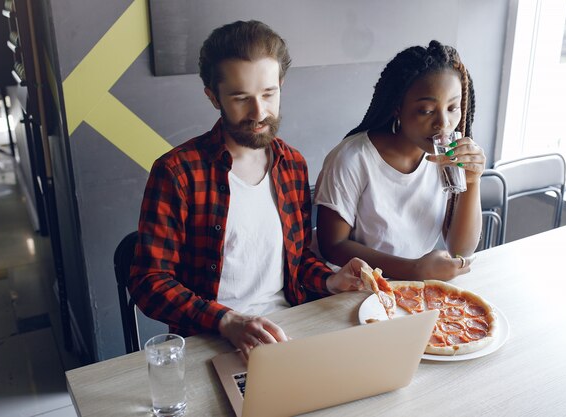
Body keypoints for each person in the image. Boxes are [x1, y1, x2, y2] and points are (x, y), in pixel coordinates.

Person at [129, 20, 366, 358]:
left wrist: (330, 281)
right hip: (209, 340)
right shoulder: (177, 173)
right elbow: (148, 282)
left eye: (269, 94)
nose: (259, 113)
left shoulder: (293, 165)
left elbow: (297, 262)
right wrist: (225, 319)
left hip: (290, 330)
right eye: (241, 98)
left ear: (281, 85)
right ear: (213, 97)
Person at [314, 40, 485, 281]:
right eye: (426, 110)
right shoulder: (353, 158)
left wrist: (473, 181)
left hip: (411, 289)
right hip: (350, 290)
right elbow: (332, 246)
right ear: (397, 107)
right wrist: (413, 270)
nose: (443, 123)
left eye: (453, 107)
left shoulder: (446, 159)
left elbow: (461, 250)